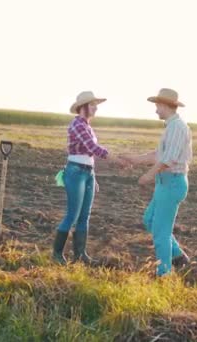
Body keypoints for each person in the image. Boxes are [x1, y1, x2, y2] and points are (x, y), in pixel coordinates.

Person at [122, 88, 193, 276]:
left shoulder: (177, 127)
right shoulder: (171, 127)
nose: (155, 110)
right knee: (150, 220)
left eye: (157, 106)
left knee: (161, 232)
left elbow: (167, 159)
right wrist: (134, 159)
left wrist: (149, 175)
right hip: (165, 183)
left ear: (164, 105)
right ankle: (178, 256)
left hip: (172, 183)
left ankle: (164, 274)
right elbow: (158, 155)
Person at [52, 91, 124, 265]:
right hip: (76, 172)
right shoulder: (77, 125)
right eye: (92, 105)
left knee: (85, 216)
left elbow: (89, 155)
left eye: (95, 105)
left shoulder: (87, 126)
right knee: (72, 215)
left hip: (87, 173)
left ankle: (80, 255)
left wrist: (93, 177)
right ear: (82, 107)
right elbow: (92, 148)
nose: (96, 108)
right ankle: (56, 254)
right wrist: (117, 160)